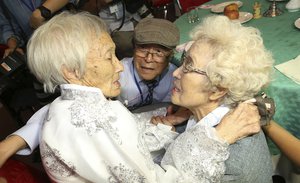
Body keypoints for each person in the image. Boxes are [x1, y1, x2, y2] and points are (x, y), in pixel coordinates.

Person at [0, 12, 262, 182]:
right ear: (70, 71)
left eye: (187, 65)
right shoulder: (96, 117)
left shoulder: (74, 106)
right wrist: (217, 139)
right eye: (108, 57)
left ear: (218, 89)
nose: (118, 66)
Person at [152, 15, 275, 182]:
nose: (175, 73)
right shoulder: (198, 113)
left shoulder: (230, 167)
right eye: (183, 61)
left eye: (189, 65)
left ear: (218, 89)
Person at [117, 17, 179, 110]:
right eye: (143, 48)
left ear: (170, 55)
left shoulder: (175, 77)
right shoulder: (118, 75)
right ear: (133, 48)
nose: (148, 59)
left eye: (158, 52)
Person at [0, 0, 77, 58]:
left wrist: (42, 12)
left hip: (71, 32)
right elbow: (6, 25)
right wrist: (13, 47)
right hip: (42, 49)